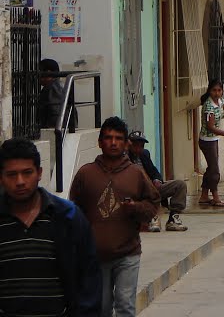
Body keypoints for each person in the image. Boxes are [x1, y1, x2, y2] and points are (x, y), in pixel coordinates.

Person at [0, 137, 102, 317]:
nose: (20, 181)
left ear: (39, 173)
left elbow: (89, 277)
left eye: (27, 172)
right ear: (1, 177)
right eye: (12, 174)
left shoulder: (67, 217)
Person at [69, 116, 160, 317]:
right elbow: (73, 212)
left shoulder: (136, 174)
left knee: (125, 306)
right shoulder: (85, 174)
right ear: (99, 142)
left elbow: (153, 205)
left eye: (118, 138)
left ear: (126, 143)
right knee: (101, 307)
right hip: (95, 256)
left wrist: (135, 208)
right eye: (108, 138)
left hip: (128, 253)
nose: (113, 142)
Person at [127, 131, 188, 232]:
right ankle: (151, 218)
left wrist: (157, 180)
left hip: (152, 188)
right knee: (148, 190)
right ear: (129, 145)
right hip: (136, 191)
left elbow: (154, 172)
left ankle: (173, 218)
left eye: (141, 145)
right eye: (135, 145)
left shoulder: (144, 154)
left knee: (180, 185)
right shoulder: (124, 157)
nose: (138, 148)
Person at [198, 80, 224, 208]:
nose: (216, 93)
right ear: (209, 91)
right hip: (206, 141)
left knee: (211, 168)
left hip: (213, 141)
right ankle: (215, 197)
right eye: (214, 90)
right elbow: (210, 127)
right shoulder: (209, 106)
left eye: (219, 90)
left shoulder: (220, 102)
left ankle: (204, 196)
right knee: (215, 171)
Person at [37, 57, 77, 131]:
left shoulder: (52, 89)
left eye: (41, 72)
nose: (38, 76)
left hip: (57, 130)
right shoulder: (58, 87)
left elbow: (56, 113)